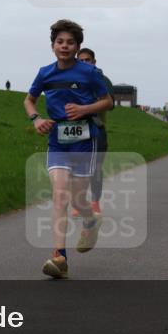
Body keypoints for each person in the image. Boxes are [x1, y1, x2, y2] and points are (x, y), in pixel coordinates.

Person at [24, 20, 112, 279]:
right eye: (60, 42)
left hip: (85, 140)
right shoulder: (45, 73)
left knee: (77, 198)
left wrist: (84, 109)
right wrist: (36, 119)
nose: (64, 46)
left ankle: (90, 220)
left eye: (70, 42)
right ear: (52, 46)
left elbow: (108, 101)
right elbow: (29, 100)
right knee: (60, 194)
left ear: (77, 46)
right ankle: (59, 256)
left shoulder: (89, 72)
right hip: (57, 141)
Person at [76, 47, 114, 219]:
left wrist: (88, 104)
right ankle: (80, 201)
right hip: (77, 129)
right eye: (81, 60)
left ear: (94, 61)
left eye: (87, 60)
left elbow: (110, 104)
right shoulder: (72, 78)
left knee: (95, 168)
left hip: (97, 128)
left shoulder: (103, 79)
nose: (84, 63)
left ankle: (95, 201)